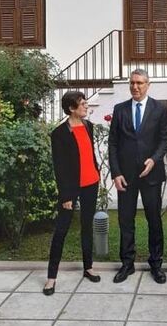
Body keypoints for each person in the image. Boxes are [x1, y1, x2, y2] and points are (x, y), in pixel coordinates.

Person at [109, 68, 167, 284]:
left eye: (139, 83)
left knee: (154, 220)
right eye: (132, 83)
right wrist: (116, 173)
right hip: (125, 176)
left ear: (148, 85)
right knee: (125, 221)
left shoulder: (160, 109)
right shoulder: (120, 109)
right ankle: (127, 264)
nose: (135, 86)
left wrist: (154, 159)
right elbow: (113, 143)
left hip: (151, 175)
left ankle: (156, 264)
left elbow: (164, 139)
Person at [43, 91, 101, 296]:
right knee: (61, 230)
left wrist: (97, 172)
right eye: (82, 104)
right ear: (71, 108)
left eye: (85, 103)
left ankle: (88, 267)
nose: (86, 106)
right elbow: (60, 167)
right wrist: (65, 195)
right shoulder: (59, 134)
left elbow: (89, 154)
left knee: (87, 226)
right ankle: (51, 278)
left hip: (91, 183)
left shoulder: (88, 126)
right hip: (71, 188)